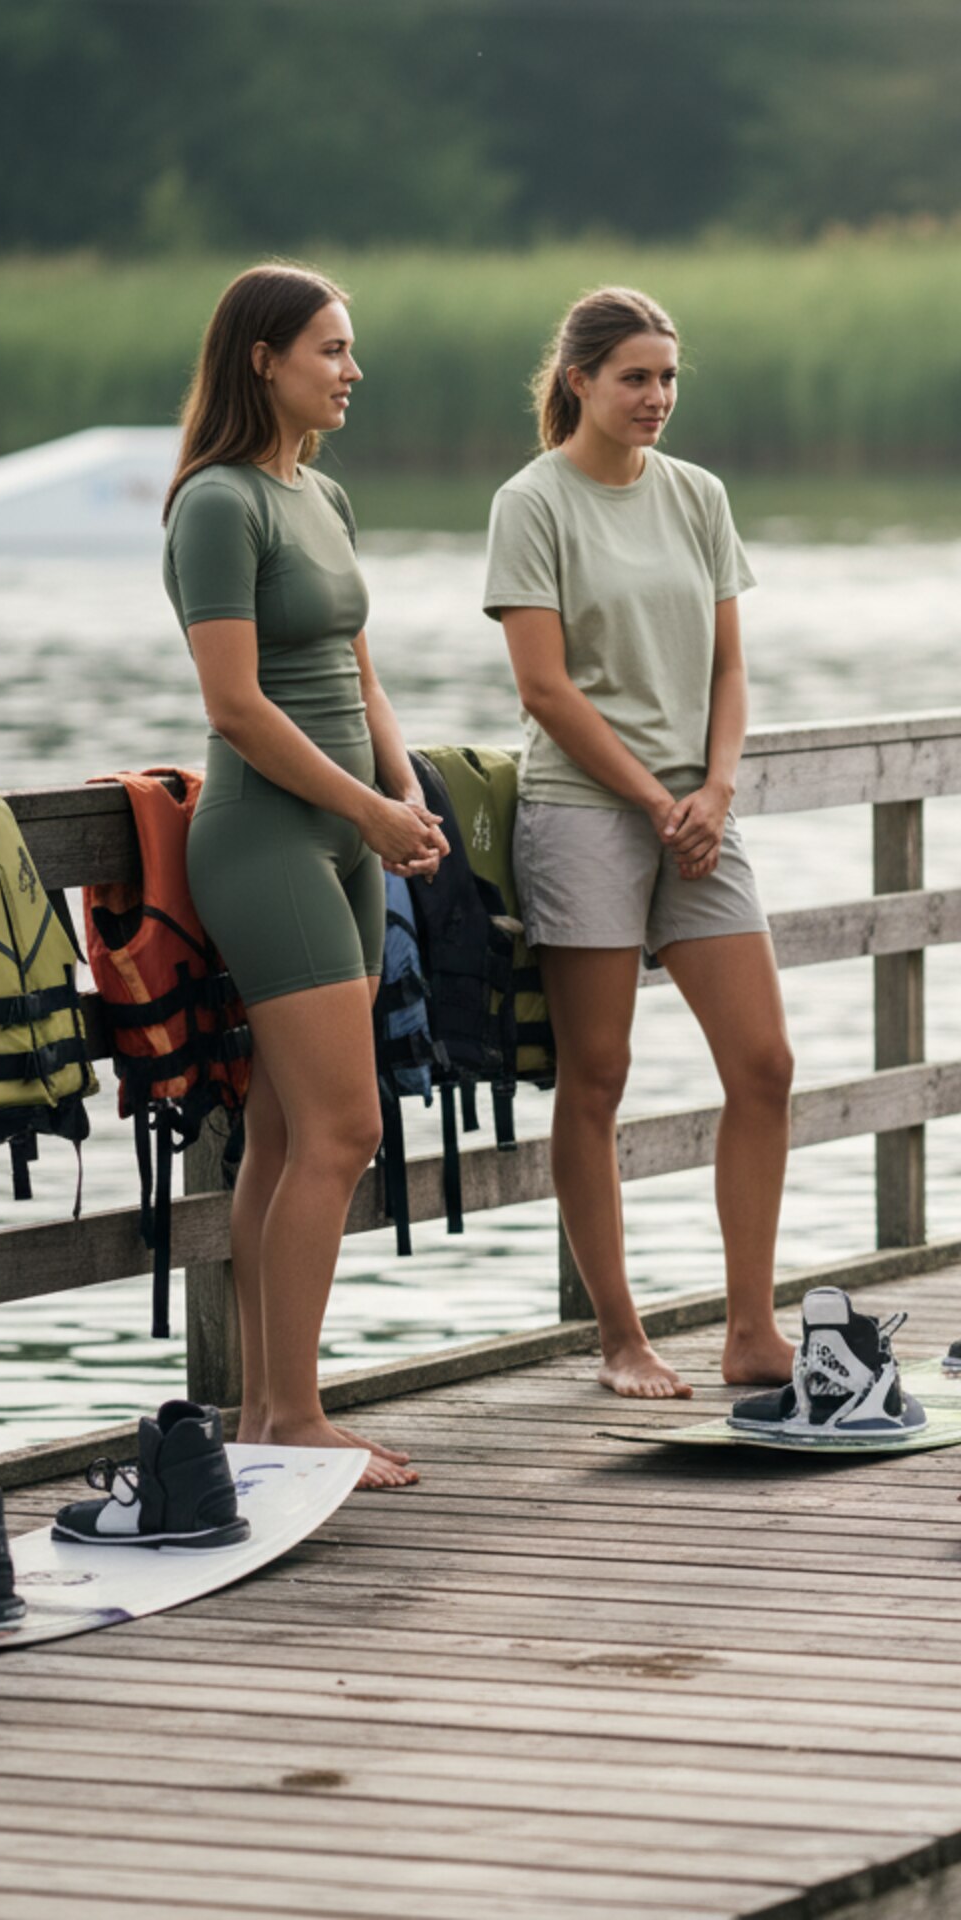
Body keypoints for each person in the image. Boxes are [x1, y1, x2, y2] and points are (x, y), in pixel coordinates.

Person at [164, 264, 447, 1490]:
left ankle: (268, 1412)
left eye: (351, 348)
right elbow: (233, 706)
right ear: (261, 359)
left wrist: (408, 794)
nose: (352, 369)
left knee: (285, 1130)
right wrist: (365, 810)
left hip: (348, 828)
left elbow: (354, 667)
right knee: (344, 1125)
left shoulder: (320, 493)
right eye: (330, 349)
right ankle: (290, 1415)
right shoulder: (217, 504)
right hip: (270, 837)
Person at [484, 287, 795, 1402]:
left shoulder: (697, 495)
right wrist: (653, 802)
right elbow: (542, 687)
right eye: (634, 378)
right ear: (578, 381)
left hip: (698, 816)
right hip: (580, 809)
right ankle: (621, 1336)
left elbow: (727, 667)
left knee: (763, 1062)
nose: (656, 397)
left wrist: (712, 788)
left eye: (667, 378)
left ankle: (751, 1328)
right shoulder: (532, 502)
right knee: (598, 1075)